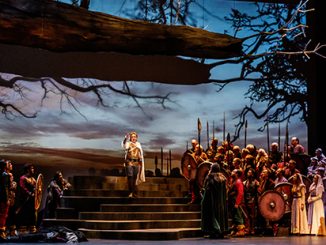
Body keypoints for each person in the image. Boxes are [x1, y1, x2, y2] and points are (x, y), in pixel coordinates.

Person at [201, 163, 228, 239]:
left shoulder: (210, 177)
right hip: (221, 202)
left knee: (212, 215)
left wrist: (203, 200)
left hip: (211, 201)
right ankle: (221, 231)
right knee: (220, 215)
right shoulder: (223, 178)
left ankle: (214, 231)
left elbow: (207, 190)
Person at [122, 131, 145, 198]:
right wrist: (125, 139)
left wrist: (140, 157)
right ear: (130, 138)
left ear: (137, 138)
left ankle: (134, 192)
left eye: (134, 137)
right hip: (129, 162)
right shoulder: (128, 143)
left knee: (135, 178)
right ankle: (130, 192)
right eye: (132, 137)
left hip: (136, 163)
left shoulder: (138, 144)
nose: (133, 138)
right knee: (130, 177)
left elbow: (141, 153)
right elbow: (124, 146)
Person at [16, 163, 37, 234]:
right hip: (25, 199)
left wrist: (36, 190)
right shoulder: (23, 178)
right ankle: (23, 230)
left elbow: (36, 188)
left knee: (32, 213)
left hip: (32, 199)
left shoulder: (33, 179)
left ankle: (32, 228)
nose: (33, 170)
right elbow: (22, 188)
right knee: (24, 213)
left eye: (33, 168)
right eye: (32, 168)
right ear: (28, 170)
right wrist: (29, 193)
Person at [228, 169, 246, 237]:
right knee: (234, 216)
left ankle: (241, 231)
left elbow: (240, 193)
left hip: (235, 202)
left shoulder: (238, 182)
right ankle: (235, 230)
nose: (231, 172)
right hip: (232, 201)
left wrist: (237, 203)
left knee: (238, 216)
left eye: (233, 172)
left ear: (237, 174)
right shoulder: (233, 181)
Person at [0, 160, 10, 240]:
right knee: (3, 215)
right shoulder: (5, 174)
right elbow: (5, 187)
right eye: (7, 164)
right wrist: (7, 199)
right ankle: (1, 232)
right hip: (3, 198)